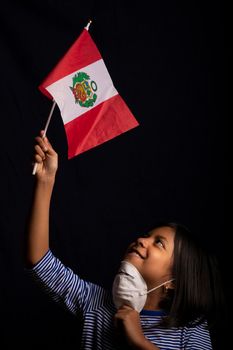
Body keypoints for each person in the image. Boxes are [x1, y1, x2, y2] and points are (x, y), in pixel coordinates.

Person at [26, 131, 224, 350]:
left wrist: (138, 341)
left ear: (173, 282)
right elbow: (39, 260)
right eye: (147, 235)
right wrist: (46, 181)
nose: (141, 240)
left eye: (159, 243)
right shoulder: (95, 303)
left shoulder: (190, 331)